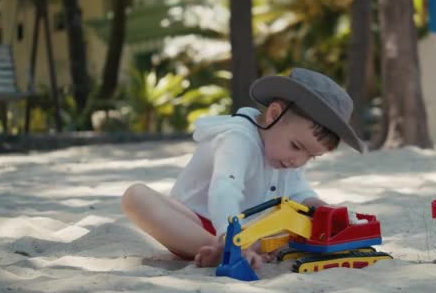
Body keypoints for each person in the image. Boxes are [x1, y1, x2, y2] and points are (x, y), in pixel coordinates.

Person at [121, 67, 366, 269]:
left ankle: (232, 252)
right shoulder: (238, 137)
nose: (298, 160)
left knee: (299, 219)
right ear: (273, 115)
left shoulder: (284, 153)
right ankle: (224, 250)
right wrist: (230, 239)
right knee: (136, 197)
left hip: (249, 233)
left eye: (311, 157)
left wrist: (324, 210)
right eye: (296, 146)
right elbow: (224, 189)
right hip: (195, 223)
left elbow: (299, 192)